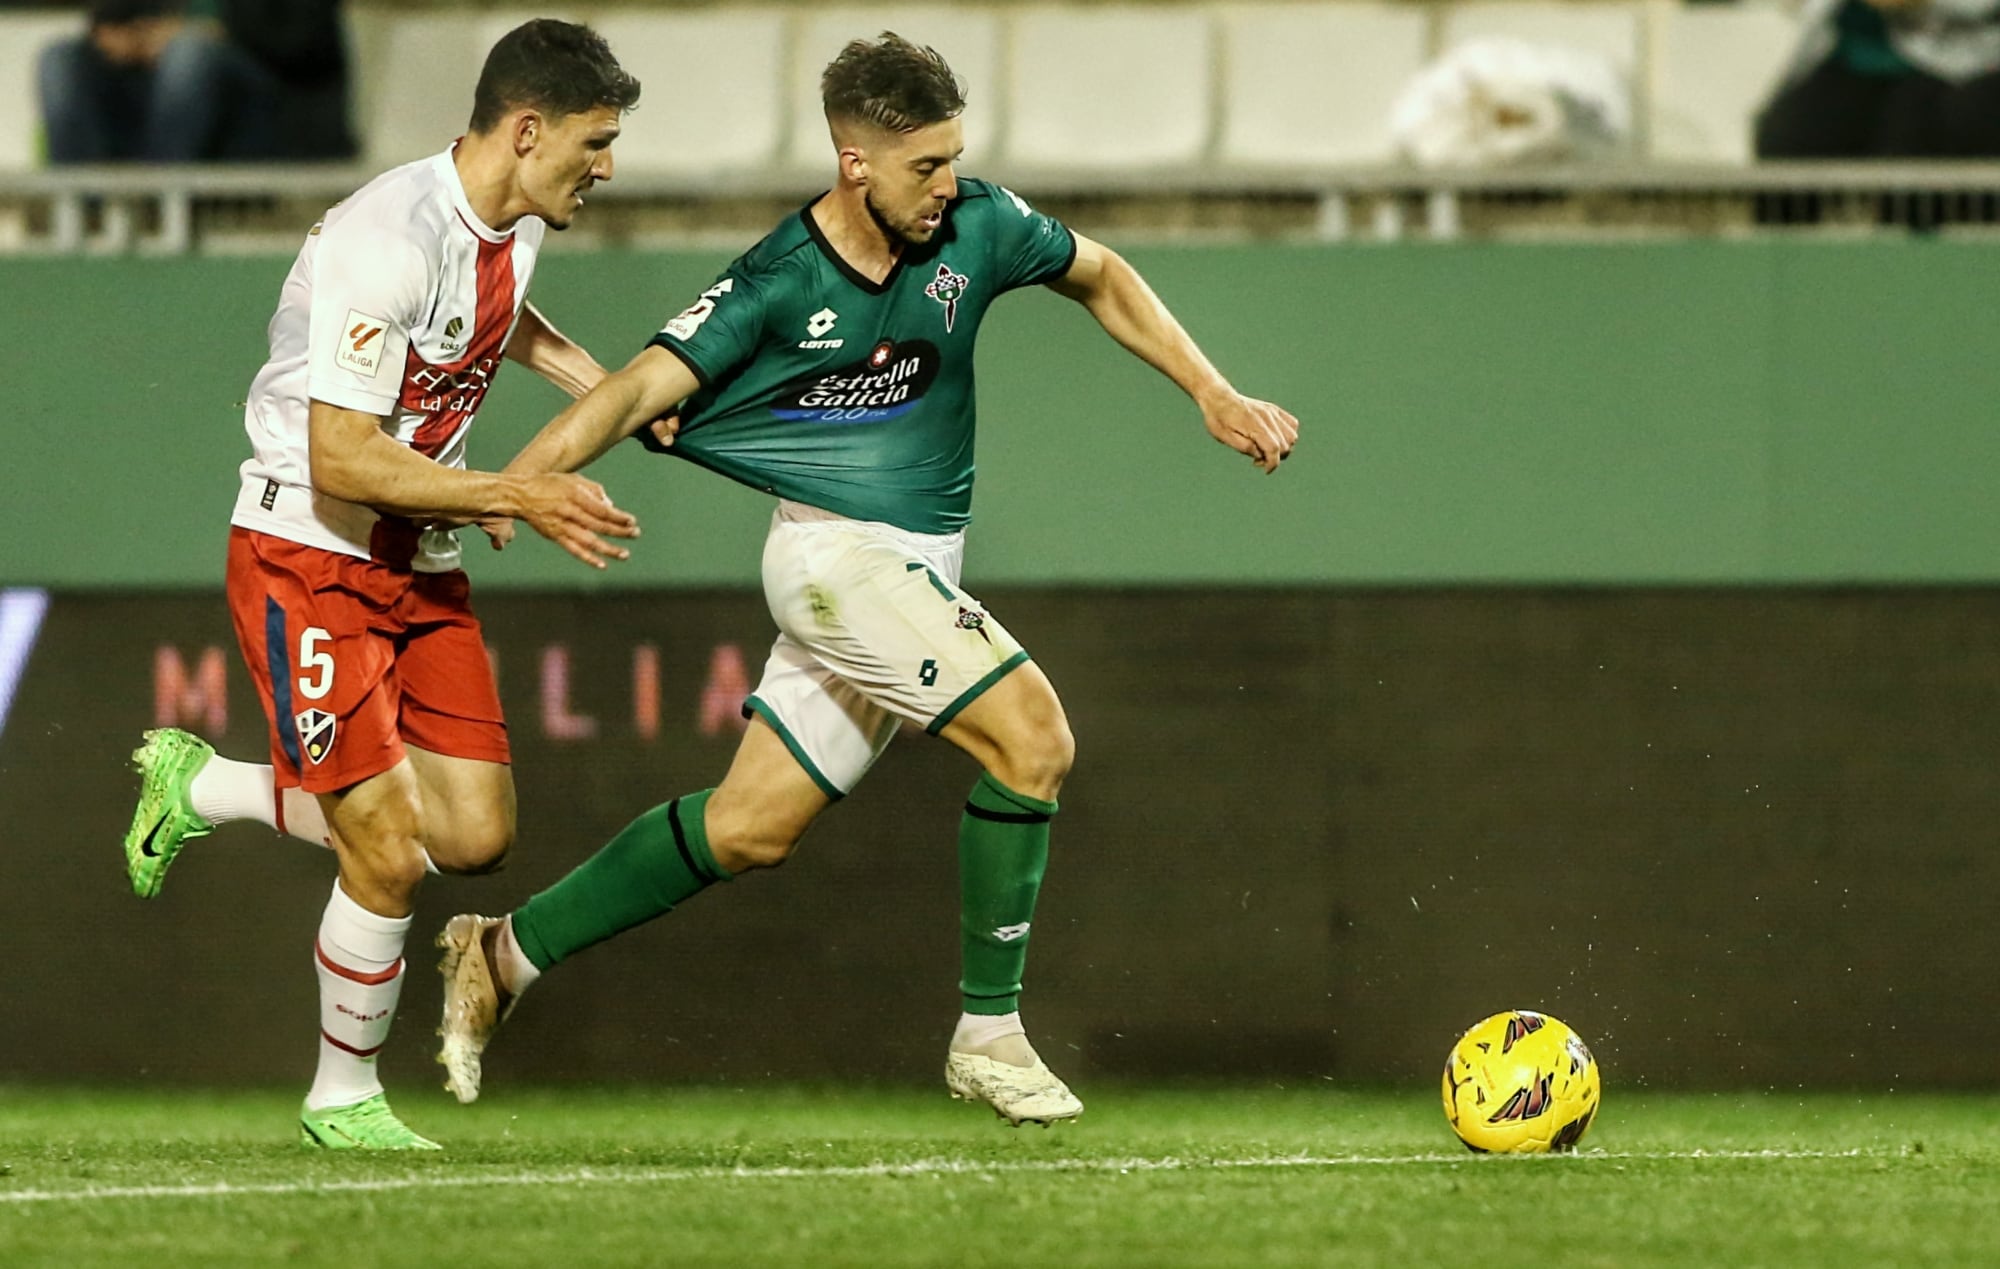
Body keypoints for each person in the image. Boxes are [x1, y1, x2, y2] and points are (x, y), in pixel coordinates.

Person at [434, 33, 1299, 1126]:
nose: (946, 187)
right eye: (922, 168)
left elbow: (1101, 274)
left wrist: (1209, 393)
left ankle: (503, 955)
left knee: (750, 828)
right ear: (854, 165)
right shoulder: (780, 279)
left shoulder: (978, 223)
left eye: (951, 160)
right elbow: (639, 388)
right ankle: (987, 1036)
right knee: (1034, 743)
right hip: (836, 560)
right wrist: (522, 479)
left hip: (907, 569)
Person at [120, 19, 642, 1150]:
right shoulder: (385, 240)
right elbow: (341, 458)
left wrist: (602, 385)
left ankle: (204, 789)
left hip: (417, 556)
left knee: (473, 834)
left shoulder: (509, 217)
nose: (605, 167)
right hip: (309, 554)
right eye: (594, 143)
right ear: (526, 128)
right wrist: (509, 493)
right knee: (389, 850)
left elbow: (489, 320)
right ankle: (342, 1096)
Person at [37, 0, 355, 164]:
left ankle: (161, 199)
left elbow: (304, 39)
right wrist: (123, 37)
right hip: (145, 88)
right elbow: (109, 20)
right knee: (59, 59)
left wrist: (214, 32)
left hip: (259, 100)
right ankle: (82, 207)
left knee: (189, 54)